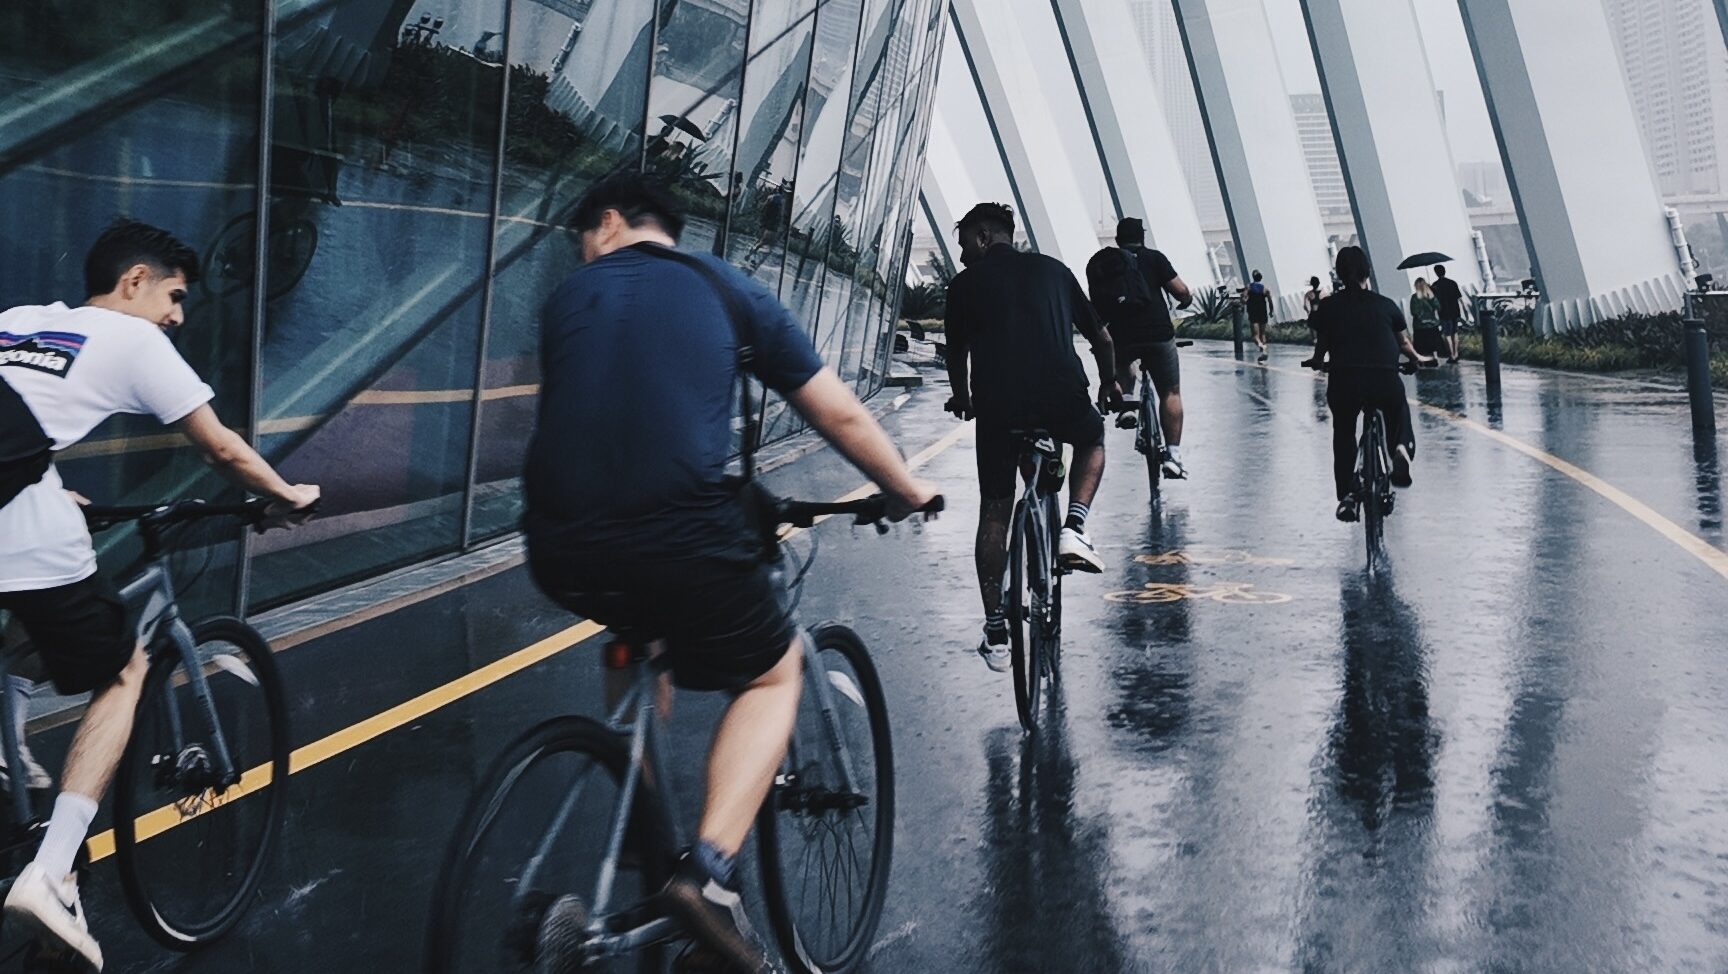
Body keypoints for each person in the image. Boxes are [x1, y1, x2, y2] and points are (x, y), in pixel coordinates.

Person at [521, 174, 937, 973]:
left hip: (558, 544)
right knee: (772, 674)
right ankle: (704, 876)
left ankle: (649, 846)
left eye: (582, 234)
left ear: (608, 223)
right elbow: (839, 414)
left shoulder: (569, 299)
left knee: (635, 634)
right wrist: (906, 488)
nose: (584, 248)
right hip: (681, 534)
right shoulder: (728, 288)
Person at [0, 218, 320, 970]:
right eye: (173, 295)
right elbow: (219, 445)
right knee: (123, 672)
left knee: (28, 629)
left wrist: (48, 483)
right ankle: (49, 876)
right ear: (133, 281)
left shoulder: (20, 322)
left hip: (20, 494)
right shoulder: (138, 341)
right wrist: (285, 494)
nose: (178, 315)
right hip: (18, 519)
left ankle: (10, 753)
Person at [943, 202, 1121, 674]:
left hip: (999, 406)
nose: (961, 256)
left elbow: (955, 354)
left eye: (964, 245)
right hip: (1061, 393)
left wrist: (963, 398)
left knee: (995, 510)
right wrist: (1109, 383)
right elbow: (1101, 338)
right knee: (1092, 438)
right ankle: (1075, 528)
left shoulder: (964, 285)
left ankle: (997, 630)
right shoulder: (1054, 270)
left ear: (983, 237)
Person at [1306, 246, 1437, 523]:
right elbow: (1403, 343)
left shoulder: (1329, 306)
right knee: (1397, 408)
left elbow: (1323, 344)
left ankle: (1348, 497)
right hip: (1383, 378)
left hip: (1345, 380)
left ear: (1339, 274)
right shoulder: (1386, 304)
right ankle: (1400, 448)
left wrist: (1317, 361)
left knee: (1343, 432)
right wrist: (1418, 359)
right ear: (1368, 272)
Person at [1084, 217, 1194, 479]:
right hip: (1158, 333)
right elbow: (1180, 290)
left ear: (1118, 239)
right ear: (1142, 236)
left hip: (1121, 335)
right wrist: (1186, 299)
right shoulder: (1154, 259)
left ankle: (1129, 406)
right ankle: (1173, 456)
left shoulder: (1109, 262)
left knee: (1123, 362)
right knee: (1170, 391)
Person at [1430, 264, 1466, 364]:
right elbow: (1459, 298)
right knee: (1455, 333)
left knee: (1447, 334)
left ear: (1436, 273)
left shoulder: (1435, 285)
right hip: (1455, 311)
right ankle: (1456, 353)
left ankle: (1451, 356)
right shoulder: (1452, 283)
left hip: (1444, 312)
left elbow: (1434, 301)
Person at [1409, 277, 1443, 359]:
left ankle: (1425, 360)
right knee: (1433, 343)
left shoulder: (1414, 297)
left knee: (1421, 345)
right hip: (1432, 324)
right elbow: (1438, 307)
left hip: (1419, 325)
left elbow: (1414, 312)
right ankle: (1435, 357)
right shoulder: (1431, 296)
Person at [1245, 270, 1273, 361]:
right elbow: (1270, 301)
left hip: (1253, 312)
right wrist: (1271, 311)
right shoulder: (1265, 289)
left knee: (1255, 336)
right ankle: (1263, 353)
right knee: (1263, 334)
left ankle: (1262, 347)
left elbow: (1244, 297)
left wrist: (1244, 301)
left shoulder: (1249, 287)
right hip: (1262, 312)